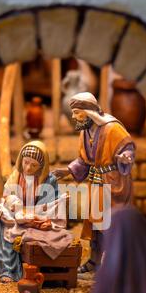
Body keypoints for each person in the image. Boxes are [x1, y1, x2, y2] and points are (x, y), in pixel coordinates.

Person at [53, 92, 135, 273]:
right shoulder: (84, 131)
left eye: (77, 112)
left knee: (111, 224)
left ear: (88, 112)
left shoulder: (112, 128)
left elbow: (127, 147)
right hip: (96, 183)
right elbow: (83, 161)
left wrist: (126, 157)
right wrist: (66, 171)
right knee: (95, 226)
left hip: (113, 183)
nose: (74, 117)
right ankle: (94, 260)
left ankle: (115, 264)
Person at [0, 141, 71, 283]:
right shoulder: (15, 177)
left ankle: (11, 270)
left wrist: (59, 202)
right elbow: (7, 198)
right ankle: (4, 266)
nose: (28, 168)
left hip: (36, 218)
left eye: (34, 165)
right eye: (26, 162)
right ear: (21, 160)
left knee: (11, 229)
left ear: (41, 166)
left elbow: (48, 207)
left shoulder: (49, 181)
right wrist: (11, 206)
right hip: (16, 215)